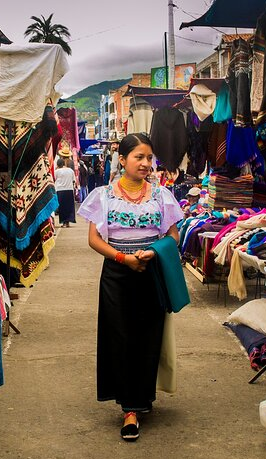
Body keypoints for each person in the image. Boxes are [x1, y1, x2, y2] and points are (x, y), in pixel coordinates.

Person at [77, 133, 184, 441]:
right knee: (120, 336)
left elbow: (174, 236)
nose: (146, 163)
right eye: (139, 157)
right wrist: (124, 258)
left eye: (150, 158)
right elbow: (94, 239)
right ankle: (129, 409)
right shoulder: (103, 195)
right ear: (122, 160)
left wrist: (151, 253)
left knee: (150, 336)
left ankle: (142, 397)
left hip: (152, 271)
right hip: (117, 274)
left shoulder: (162, 195)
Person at [54, 157, 76, 227]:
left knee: (62, 207)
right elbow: (74, 180)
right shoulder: (70, 170)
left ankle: (64, 222)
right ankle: (68, 222)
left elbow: (53, 180)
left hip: (60, 190)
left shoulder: (56, 172)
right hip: (69, 190)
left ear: (58, 165)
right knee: (69, 207)